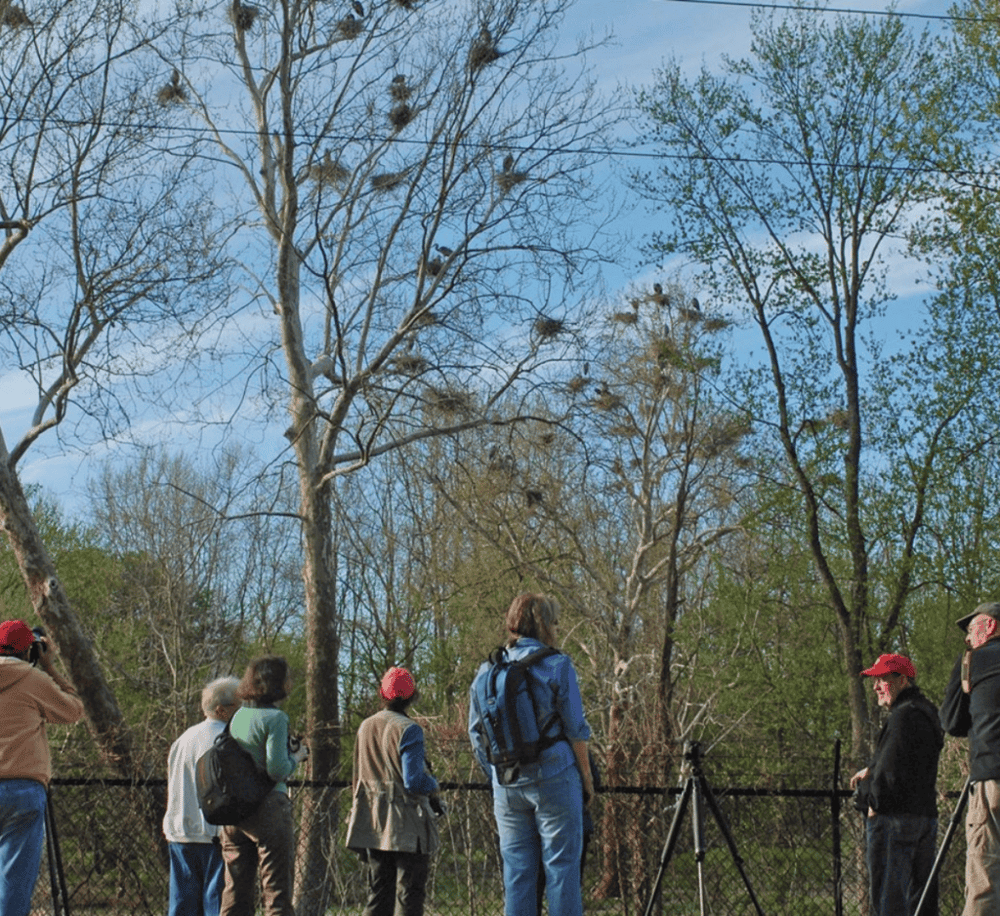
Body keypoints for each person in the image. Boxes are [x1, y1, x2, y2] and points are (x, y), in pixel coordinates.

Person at [469, 593, 594, 916]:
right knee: (561, 868)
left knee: (518, 874)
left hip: (507, 784)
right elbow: (575, 729)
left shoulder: (486, 671)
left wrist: (498, 776)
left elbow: (476, 735)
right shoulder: (557, 664)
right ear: (545, 625)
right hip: (555, 777)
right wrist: (586, 778)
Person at [0, 619, 85, 916]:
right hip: (23, 787)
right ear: (30, 651)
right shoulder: (32, 679)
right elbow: (74, 710)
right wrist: (49, 668)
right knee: (15, 879)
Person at [848, 653, 943, 916]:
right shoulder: (928, 712)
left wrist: (871, 803)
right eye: (874, 681)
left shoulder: (902, 717)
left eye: (882, 680)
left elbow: (890, 776)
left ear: (902, 680)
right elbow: (911, 764)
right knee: (921, 900)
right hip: (924, 816)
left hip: (894, 821)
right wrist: (873, 768)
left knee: (890, 900)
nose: (876, 687)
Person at [345, 667, 442, 916]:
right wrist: (434, 784)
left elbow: (358, 775)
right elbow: (413, 781)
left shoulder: (365, 726)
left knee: (379, 891)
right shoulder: (409, 729)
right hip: (406, 821)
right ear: (411, 696)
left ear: (383, 694)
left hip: (373, 819)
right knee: (409, 893)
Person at [219, 656, 309, 916]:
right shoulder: (276, 718)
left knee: (235, 893)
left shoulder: (238, 717)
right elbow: (277, 769)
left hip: (235, 812)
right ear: (279, 683)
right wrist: (297, 757)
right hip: (268, 808)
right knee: (276, 894)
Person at [940, 601, 1000, 916]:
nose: (968, 639)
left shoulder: (973, 660)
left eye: (971, 629)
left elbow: (952, 722)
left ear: (989, 626)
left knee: (985, 878)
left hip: (993, 780)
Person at [163, 676, 241, 916]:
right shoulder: (227, 740)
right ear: (222, 710)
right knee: (216, 905)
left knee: (182, 905)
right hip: (213, 835)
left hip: (179, 833)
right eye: (239, 706)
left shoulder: (183, 740)